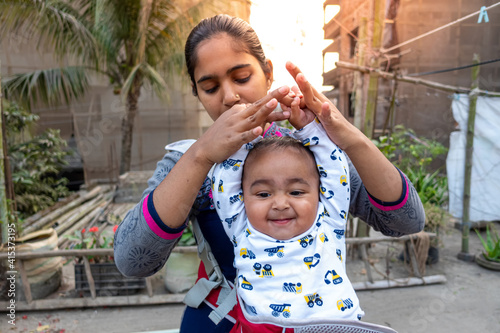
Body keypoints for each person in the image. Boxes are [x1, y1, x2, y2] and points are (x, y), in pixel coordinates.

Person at [114, 14, 425, 333]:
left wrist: (347, 135)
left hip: (315, 321)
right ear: (197, 93)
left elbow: (406, 222)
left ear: (267, 73)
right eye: (209, 87)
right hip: (221, 320)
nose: (229, 97)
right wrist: (200, 156)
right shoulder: (188, 162)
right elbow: (133, 262)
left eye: (242, 77)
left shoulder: (310, 152)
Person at [212, 118, 364, 331]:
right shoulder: (242, 228)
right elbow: (223, 185)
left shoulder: (328, 222)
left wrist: (309, 127)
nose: (281, 204)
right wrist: (247, 137)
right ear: (243, 197)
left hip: (333, 327)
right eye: (264, 194)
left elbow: (335, 168)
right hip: (261, 327)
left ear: (319, 193)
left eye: (296, 192)